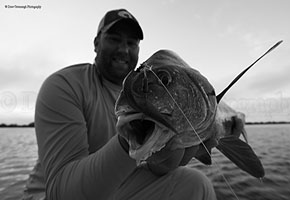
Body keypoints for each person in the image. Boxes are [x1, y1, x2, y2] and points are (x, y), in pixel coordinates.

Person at [23, 8, 217, 200]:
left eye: (131, 43)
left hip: (113, 189)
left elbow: (149, 167)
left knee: (196, 184)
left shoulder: (154, 99)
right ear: (96, 43)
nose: (123, 49)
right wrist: (135, 138)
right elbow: (61, 193)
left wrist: (162, 158)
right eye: (114, 39)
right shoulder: (64, 86)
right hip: (46, 196)